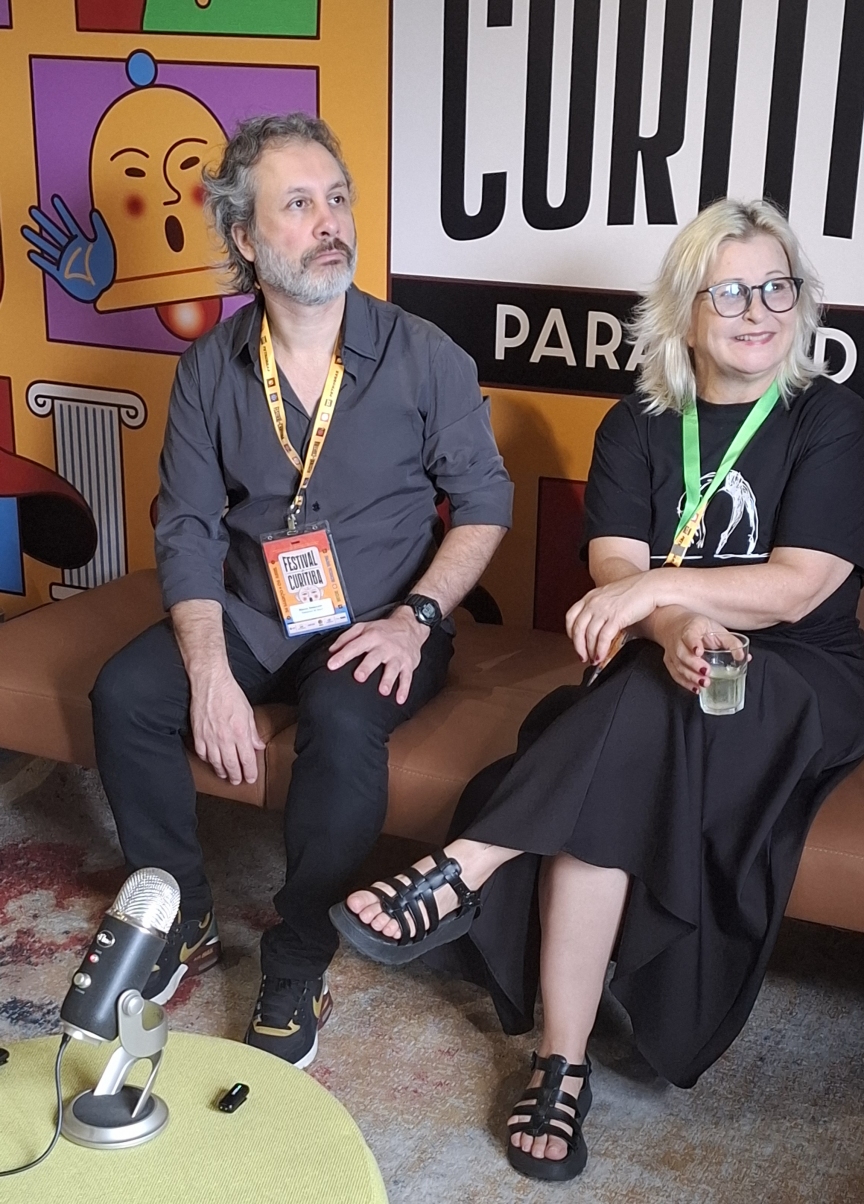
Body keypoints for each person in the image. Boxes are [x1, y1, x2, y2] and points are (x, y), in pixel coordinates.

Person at [331, 197, 864, 1180]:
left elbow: (799, 586)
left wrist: (658, 593)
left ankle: (468, 870)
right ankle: (561, 1061)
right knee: (627, 743)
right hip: (666, 664)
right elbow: (617, 569)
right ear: (685, 309)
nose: (757, 311)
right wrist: (672, 624)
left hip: (803, 674)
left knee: (620, 725)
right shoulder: (639, 424)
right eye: (730, 291)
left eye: (776, 287)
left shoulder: (830, 417)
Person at [90, 113, 512, 1069]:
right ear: (245, 238)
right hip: (251, 609)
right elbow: (187, 529)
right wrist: (209, 673)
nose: (330, 222)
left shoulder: (423, 355)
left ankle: (298, 957)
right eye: (299, 204)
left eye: (337, 199)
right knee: (126, 694)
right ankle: (183, 914)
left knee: (343, 716)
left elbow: (486, 504)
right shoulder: (209, 366)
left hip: (383, 618)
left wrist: (417, 619)